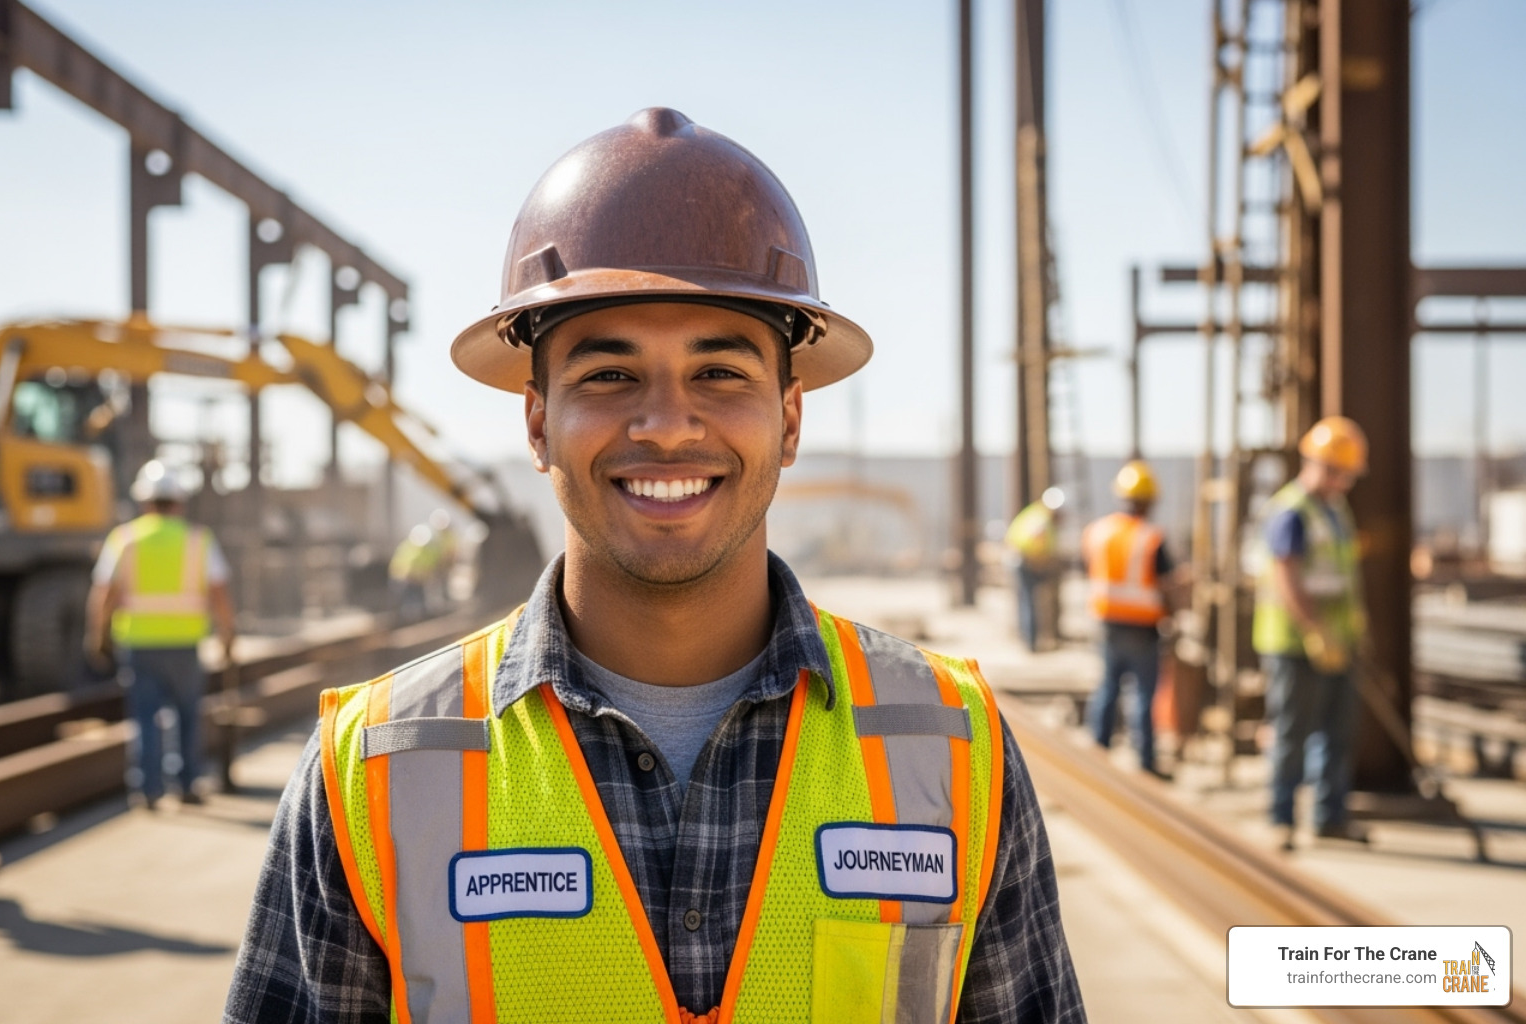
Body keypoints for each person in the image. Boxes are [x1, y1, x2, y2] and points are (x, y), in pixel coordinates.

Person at [224, 108, 1084, 1024]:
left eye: (720, 374)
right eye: (608, 375)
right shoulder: (376, 769)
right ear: (538, 422)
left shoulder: (952, 746)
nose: (668, 424)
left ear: (789, 422)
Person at [85, 459, 235, 808]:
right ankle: (187, 785)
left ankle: (148, 791)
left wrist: (98, 634)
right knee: (187, 716)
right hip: (184, 643)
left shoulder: (124, 539)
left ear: (144, 501)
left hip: (138, 643)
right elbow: (218, 593)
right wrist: (228, 632)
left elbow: (103, 593)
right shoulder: (199, 540)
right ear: (179, 501)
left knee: (145, 719)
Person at [1252, 417, 1369, 851]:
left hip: (1338, 642)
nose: (1346, 483)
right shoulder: (1291, 512)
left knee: (1338, 733)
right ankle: (1280, 818)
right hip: (1294, 644)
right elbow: (1288, 579)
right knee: (1292, 733)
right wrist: (1316, 631)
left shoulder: (1335, 511)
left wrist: (1354, 632)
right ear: (1321, 466)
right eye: (1343, 474)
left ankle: (1329, 816)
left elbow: (1341, 576)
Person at [1081, 461, 1174, 779]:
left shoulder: (1098, 531)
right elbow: (1166, 584)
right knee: (1144, 695)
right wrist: (1174, 614)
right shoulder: (1151, 537)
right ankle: (1145, 761)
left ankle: (1098, 751)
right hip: (1143, 626)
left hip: (1107, 621)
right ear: (1149, 500)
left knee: (1107, 687)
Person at [1005, 488, 1064, 651]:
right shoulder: (1041, 519)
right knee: (1030, 602)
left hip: (1021, 558)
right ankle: (1031, 642)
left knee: (1026, 600)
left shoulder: (1034, 513)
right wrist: (1041, 561)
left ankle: (1029, 639)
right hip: (1026, 560)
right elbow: (1036, 540)